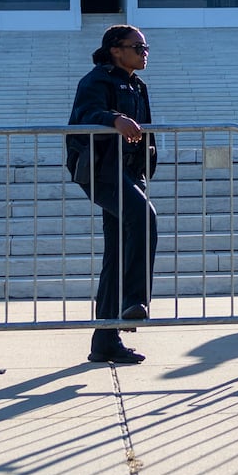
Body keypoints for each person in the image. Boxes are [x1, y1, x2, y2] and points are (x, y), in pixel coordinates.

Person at [67, 24, 157, 367]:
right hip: (102, 170)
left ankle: (104, 340)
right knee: (145, 218)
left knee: (117, 253)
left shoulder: (137, 84)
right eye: (138, 47)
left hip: (130, 172)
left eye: (146, 47)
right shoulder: (97, 80)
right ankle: (134, 302)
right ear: (116, 49)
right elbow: (84, 116)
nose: (144, 52)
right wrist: (114, 118)